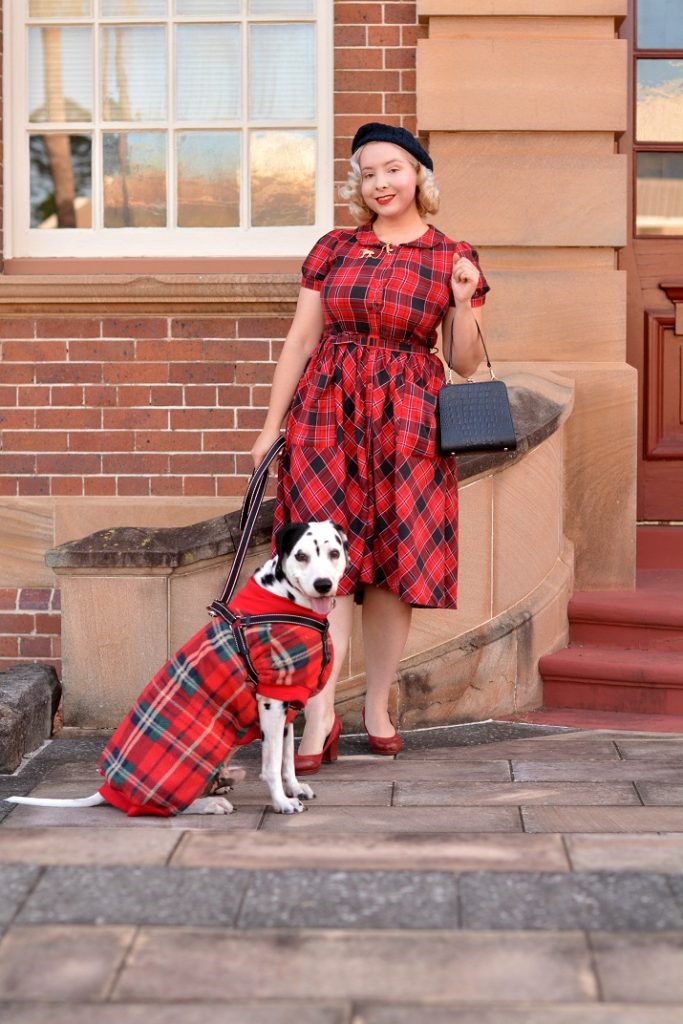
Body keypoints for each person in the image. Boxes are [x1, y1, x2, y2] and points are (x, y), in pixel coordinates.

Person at [251, 121, 489, 773]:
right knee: (325, 564)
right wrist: (271, 427)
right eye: (367, 172)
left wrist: (463, 302)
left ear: (418, 175)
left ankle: (376, 705)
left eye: (392, 168)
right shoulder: (333, 248)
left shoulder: (450, 256)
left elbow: (466, 363)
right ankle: (319, 713)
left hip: (408, 420)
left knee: (393, 567)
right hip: (326, 416)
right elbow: (300, 341)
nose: (380, 182)